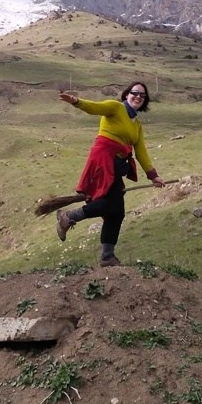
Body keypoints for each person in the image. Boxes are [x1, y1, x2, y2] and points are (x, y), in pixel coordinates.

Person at [55, 81, 165, 266]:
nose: (138, 97)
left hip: (117, 166)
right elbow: (94, 107)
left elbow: (141, 152)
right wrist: (76, 101)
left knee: (117, 212)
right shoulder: (115, 108)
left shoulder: (137, 125)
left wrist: (153, 175)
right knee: (110, 205)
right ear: (127, 94)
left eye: (142, 95)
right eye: (135, 92)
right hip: (103, 161)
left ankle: (107, 257)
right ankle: (69, 217)